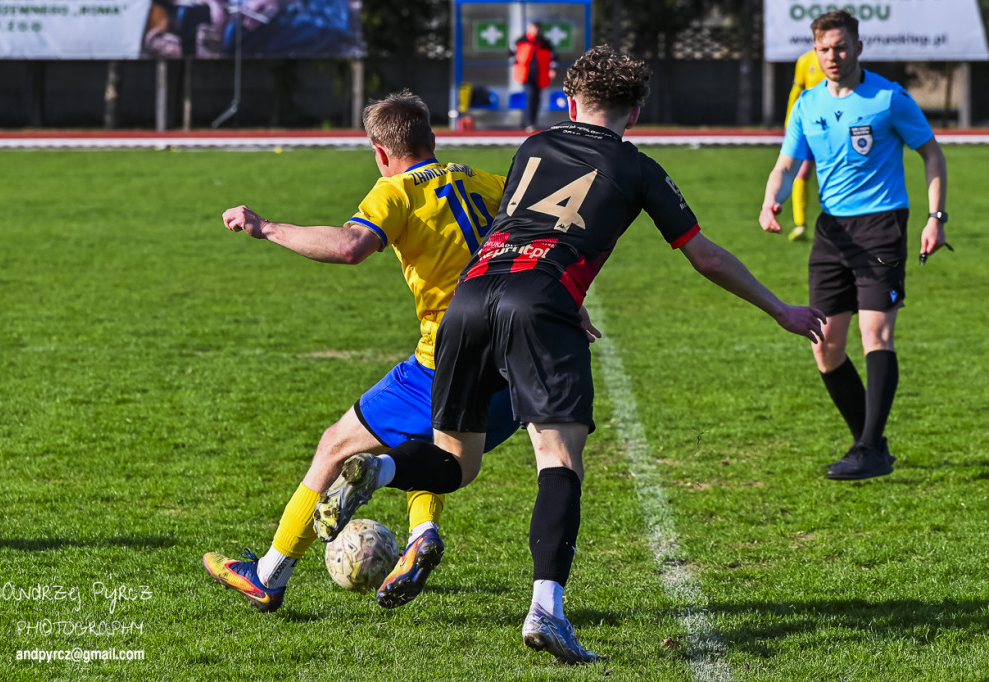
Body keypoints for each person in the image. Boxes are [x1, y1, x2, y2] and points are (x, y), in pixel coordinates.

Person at [311, 45, 826, 664]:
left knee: (457, 464)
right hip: (542, 301)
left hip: (469, 300)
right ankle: (546, 612)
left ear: (568, 103)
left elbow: (505, 229)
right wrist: (781, 310)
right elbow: (705, 256)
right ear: (635, 112)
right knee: (558, 459)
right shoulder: (639, 169)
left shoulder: (532, 144)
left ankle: (383, 469)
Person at [202, 90, 524, 613]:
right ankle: (422, 534)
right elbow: (531, 221)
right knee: (434, 451)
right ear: (432, 140)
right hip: (515, 358)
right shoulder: (477, 179)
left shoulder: (392, 192)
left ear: (379, 152)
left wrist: (266, 228)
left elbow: (351, 246)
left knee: (336, 446)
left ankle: (268, 574)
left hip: (445, 356)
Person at [759, 10, 948, 480]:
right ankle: (874, 447)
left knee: (875, 336)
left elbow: (932, 152)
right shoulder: (807, 105)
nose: (832, 57)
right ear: (814, 52)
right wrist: (771, 200)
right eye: (823, 49)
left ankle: (866, 449)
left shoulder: (888, 98)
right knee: (824, 345)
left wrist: (935, 217)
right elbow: (786, 166)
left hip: (882, 226)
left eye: (840, 47)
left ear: (859, 47)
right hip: (832, 232)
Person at [784, 48, 825, 242]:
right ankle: (800, 223)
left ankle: (841, 221)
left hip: (837, 126)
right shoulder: (804, 60)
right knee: (802, 171)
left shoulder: (842, 61)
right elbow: (796, 91)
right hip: (810, 126)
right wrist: (789, 122)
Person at [512, 22, 557, 132]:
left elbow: (554, 58)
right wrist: (516, 65)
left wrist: (553, 69)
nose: (535, 30)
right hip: (525, 75)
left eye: (537, 28)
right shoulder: (521, 41)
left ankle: (532, 122)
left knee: (536, 98)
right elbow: (511, 54)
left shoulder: (545, 43)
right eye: (533, 28)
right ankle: (528, 122)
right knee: (530, 96)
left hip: (540, 75)